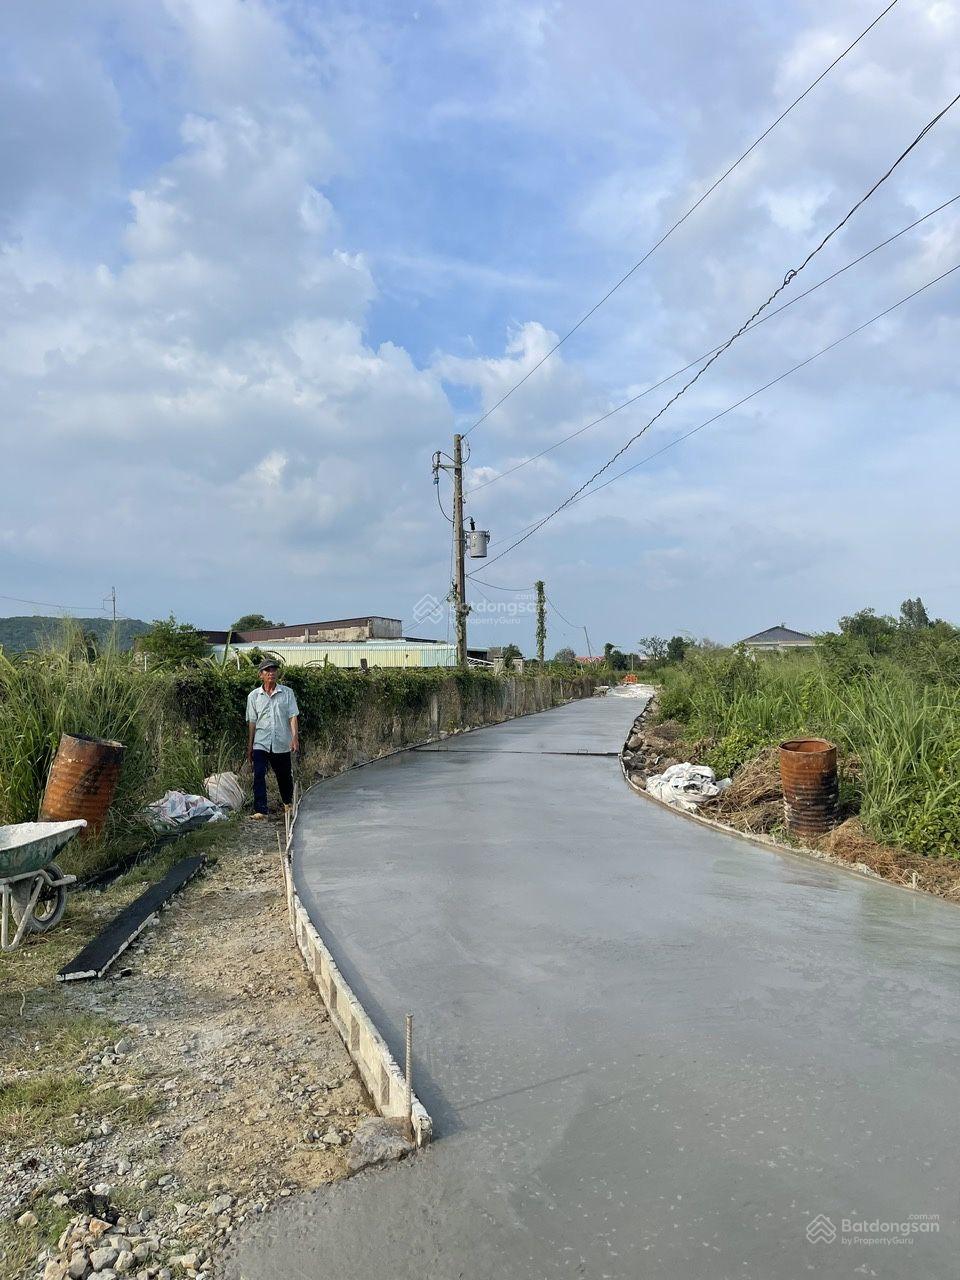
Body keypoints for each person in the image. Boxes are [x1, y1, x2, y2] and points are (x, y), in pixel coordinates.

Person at [246, 658, 300, 819]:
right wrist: (250, 746)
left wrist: (295, 738)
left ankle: (287, 803)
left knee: (283, 775)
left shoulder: (287, 693)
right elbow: (252, 723)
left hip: (281, 741)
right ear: (260, 675)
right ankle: (260, 809)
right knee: (259, 773)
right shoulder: (254, 696)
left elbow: (292, 716)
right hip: (261, 742)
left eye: (273, 670)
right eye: (267, 670)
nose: (271, 673)